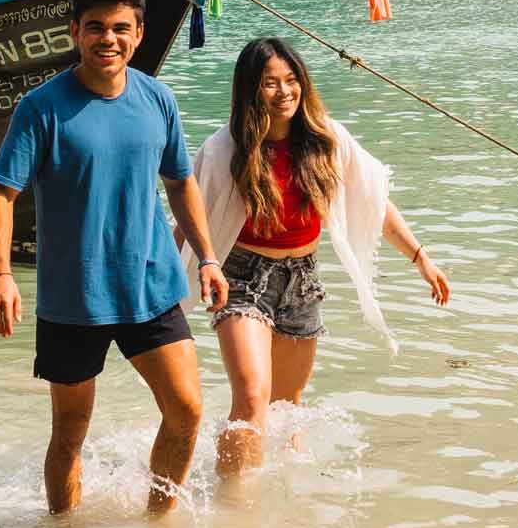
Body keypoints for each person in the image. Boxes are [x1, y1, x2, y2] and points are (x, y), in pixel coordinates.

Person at [0, 0, 225, 514]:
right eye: (95, 27)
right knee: (70, 433)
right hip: (74, 298)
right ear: (74, 31)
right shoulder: (42, 108)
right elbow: (1, 195)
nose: (107, 39)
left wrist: (208, 258)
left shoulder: (157, 98)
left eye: (120, 28)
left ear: (138, 33)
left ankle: (159, 523)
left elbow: (181, 180)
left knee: (186, 411)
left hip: (150, 286)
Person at [192, 35, 447, 470]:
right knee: (252, 398)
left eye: (291, 80)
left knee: (286, 407)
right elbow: (190, 214)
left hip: (302, 279)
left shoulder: (326, 138)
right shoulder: (224, 149)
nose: (284, 91)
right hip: (242, 279)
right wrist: (161, 271)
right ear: (250, 89)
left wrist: (420, 256)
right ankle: (234, 512)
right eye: (270, 83)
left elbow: (373, 201)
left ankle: (287, 506)